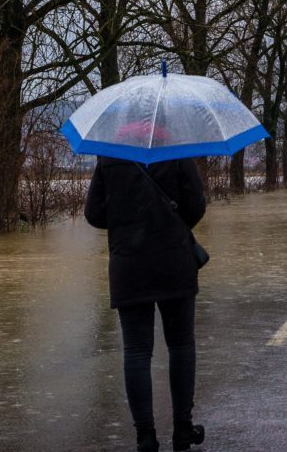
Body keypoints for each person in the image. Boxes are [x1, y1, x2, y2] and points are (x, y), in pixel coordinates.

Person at [85, 152, 208, 452]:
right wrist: (168, 222)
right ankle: (183, 430)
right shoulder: (177, 150)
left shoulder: (109, 154)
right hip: (174, 261)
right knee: (181, 346)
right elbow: (196, 206)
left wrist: (127, 221)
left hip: (129, 265)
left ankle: (145, 438)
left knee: (137, 352)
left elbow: (94, 213)